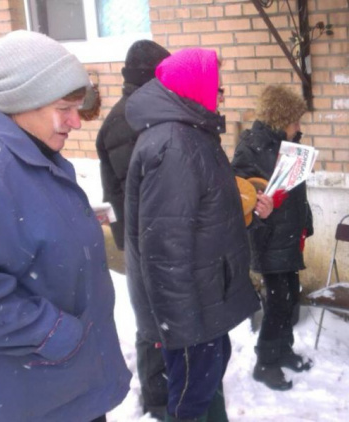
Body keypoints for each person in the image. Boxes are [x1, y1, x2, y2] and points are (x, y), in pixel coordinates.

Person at [0, 30, 131, 422]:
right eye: (64, 107)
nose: (76, 122)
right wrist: (52, 333)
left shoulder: (32, 153)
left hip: (65, 387)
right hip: (38, 398)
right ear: (22, 100)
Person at [125, 48, 268, 421]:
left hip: (202, 302)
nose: (222, 96)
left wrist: (249, 210)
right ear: (196, 89)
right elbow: (164, 251)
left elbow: (204, 216)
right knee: (190, 402)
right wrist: (183, 330)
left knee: (204, 388)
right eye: (218, 89)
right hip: (190, 314)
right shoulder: (175, 146)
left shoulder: (191, 136)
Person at [95, 39, 171, 420]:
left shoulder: (140, 111)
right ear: (150, 77)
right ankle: (158, 401)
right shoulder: (128, 120)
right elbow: (139, 189)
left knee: (158, 318)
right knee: (152, 322)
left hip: (146, 235)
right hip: (145, 237)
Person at [231, 85, 314, 391]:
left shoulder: (287, 146)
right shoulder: (252, 146)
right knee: (279, 302)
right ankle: (265, 361)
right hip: (267, 237)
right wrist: (258, 204)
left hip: (288, 235)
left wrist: (305, 222)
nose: (299, 127)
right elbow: (239, 193)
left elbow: (294, 192)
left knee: (290, 294)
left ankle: (284, 350)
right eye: (296, 121)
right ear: (281, 119)